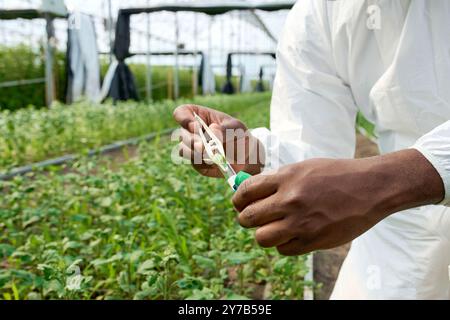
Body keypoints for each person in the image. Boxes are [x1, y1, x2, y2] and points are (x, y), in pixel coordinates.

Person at [173, 0, 450, 299]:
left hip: (391, 198)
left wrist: (391, 181)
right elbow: (314, 145)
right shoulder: (319, 12)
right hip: (402, 225)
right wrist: (255, 153)